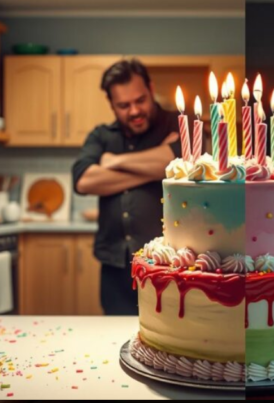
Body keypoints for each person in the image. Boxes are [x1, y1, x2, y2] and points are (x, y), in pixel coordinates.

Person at [72, 59, 181, 315]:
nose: (134, 111)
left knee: (166, 341)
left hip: (168, 264)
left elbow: (182, 161)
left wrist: (114, 162)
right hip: (115, 267)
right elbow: (84, 180)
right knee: (114, 339)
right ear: (111, 104)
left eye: (140, 100)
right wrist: (157, 169)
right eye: (123, 105)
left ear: (151, 89)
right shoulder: (101, 136)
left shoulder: (178, 124)